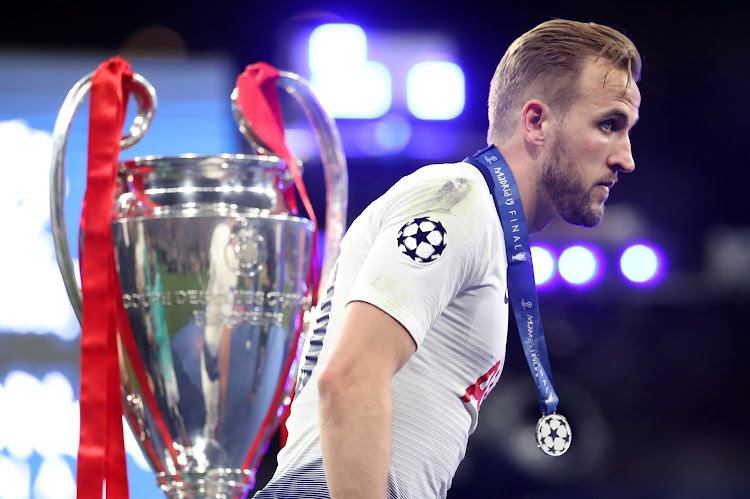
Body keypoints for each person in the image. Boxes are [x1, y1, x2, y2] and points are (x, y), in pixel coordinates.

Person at [254, 18, 642, 499]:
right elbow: (349, 378)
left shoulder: (480, 220)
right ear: (536, 122)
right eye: (609, 124)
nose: (625, 157)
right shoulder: (458, 200)